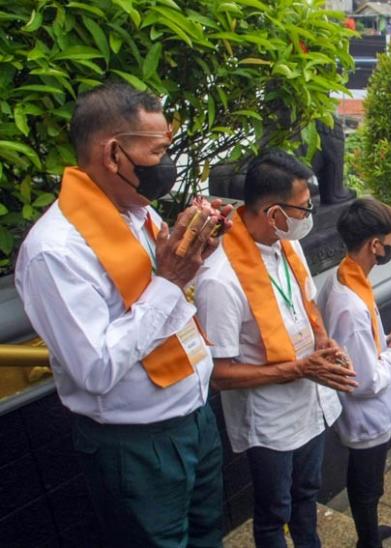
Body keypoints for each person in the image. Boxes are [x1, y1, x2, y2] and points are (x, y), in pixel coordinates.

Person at [14, 83, 229, 546]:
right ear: (114, 154)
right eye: (159, 151)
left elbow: (166, 306)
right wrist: (168, 281)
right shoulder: (55, 252)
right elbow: (96, 368)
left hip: (194, 417)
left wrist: (198, 254)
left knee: (209, 534)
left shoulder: (138, 214)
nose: (167, 164)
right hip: (137, 445)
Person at [194, 151, 358, 547]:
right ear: (272, 212)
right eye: (303, 208)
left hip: (312, 402)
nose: (309, 217)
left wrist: (323, 341)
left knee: (307, 494)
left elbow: (305, 304)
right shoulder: (220, 279)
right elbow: (218, 375)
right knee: (274, 512)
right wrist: (300, 369)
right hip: (271, 421)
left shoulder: (287, 244)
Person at [320, 198, 391, 548]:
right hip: (365, 415)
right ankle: (368, 541)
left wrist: (387, 342)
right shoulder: (348, 302)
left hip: (369, 412)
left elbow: (363, 349)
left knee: (369, 482)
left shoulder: (348, 278)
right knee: (367, 485)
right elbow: (364, 381)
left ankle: (369, 531)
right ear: (375, 245)